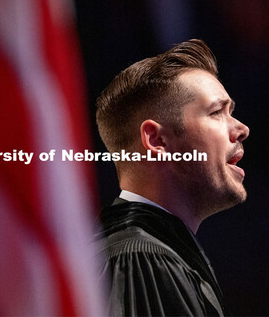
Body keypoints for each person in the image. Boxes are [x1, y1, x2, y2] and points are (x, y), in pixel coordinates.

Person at [95, 39, 249, 316]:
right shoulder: (141, 259)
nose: (241, 128)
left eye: (232, 112)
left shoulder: (151, 252)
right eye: (216, 112)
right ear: (157, 140)